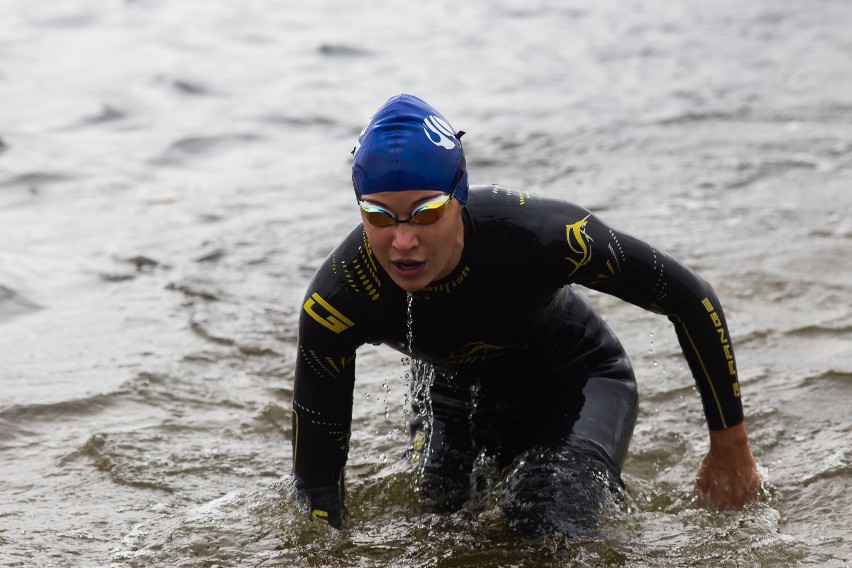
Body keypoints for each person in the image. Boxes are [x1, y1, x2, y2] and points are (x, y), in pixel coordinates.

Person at [291, 94, 760, 533]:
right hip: (451, 403)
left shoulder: (539, 235)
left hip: (575, 386)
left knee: (545, 517)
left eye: (426, 212)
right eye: (378, 215)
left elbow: (691, 298)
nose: (403, 241)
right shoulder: (338, 296)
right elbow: (316, 492)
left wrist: (730, 447)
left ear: (460, 197)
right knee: (437, 531)